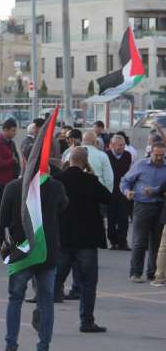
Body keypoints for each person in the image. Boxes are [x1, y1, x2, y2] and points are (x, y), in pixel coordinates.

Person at [0, 143, 68, 351]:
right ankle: (43, 345)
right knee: (46, 301)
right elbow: (64, 206)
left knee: (15, 299)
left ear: (24, 161)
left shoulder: (13, 187)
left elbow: (2, 219)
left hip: (22, 251)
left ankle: (11, 344)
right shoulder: (56, 187)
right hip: (47, 252)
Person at [53, 147, 111, 332]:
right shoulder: (90, 180)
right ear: (85, 161)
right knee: (88, 282)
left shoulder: (58, 181)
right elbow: (107, 198)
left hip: (63, 238)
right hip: (86, 240)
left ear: (69, 160)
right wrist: (92, 173)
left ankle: (42, 312)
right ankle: (86, 321)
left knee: (54, 279)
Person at [120, 141, 166, 283]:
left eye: (162, 155)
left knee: (157, 242)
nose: (159, 158)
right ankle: (135, 272)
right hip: (142, 206)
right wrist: (127, 192)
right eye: (156, 155)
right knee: (140, 241)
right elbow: (125, 181)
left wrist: (156, 190)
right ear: (150, 153)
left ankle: (152, 273)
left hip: (161, 206)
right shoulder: (141, 165)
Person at [0, 118, 20, 250]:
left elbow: (15, 158)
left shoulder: (10, 143)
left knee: (12, 211)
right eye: (13, 131)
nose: (15, 133)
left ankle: (12, 239)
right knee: (0, 212)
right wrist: (12, 161)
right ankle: (0, 240)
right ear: (5, 130)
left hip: (10, 181)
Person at [106, 134, 133, 250]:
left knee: (123, 217)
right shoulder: (106, 155)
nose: (120, 148)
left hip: (123, 190)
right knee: (111, 217)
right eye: (118, 145)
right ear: (111, 145)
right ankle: (113, 241)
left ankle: (123, 241)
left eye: (122, 145)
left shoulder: (127, 155)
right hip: (110, 190)